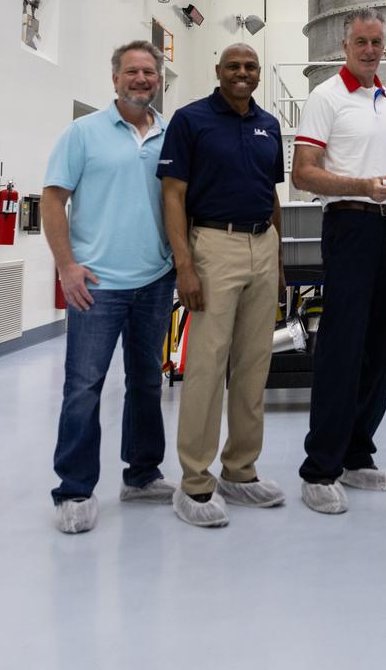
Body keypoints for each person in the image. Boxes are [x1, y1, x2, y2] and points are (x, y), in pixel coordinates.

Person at [291, 8, 386, 513]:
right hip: (348, 225)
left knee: (378, 346)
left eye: (376, 42)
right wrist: (359, 187)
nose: (369, 49)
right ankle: (319, 468)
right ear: (344, 45)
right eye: (361, 42)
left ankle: (356, 454)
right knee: (342, 347)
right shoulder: (325, 97)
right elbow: (304, 173)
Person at [43, 41, 176, 534]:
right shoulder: (83, 133)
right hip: (96, 285)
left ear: (159, 79)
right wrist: (67, 266)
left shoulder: (170, 135)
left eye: (149, 72)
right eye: (132, 72)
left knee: (146, 382)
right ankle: (74, 490)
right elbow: (53, 200)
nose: (141, 79)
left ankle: (141, 475)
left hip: (155, 280)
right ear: (115, 78)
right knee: (84, 387)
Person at [158, 44, 286, 528]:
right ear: (218, 72)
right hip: (213, 243)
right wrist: (185, 265)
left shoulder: (269, 125)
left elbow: (270, 193)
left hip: (262, 244)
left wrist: (277, 258)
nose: (242, 73)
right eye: (233, 66)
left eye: (251, 67)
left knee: (254, 366)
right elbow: (173, 195)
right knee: (208, 367)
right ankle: (194, 482)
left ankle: (241, 471)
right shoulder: (191, 121)